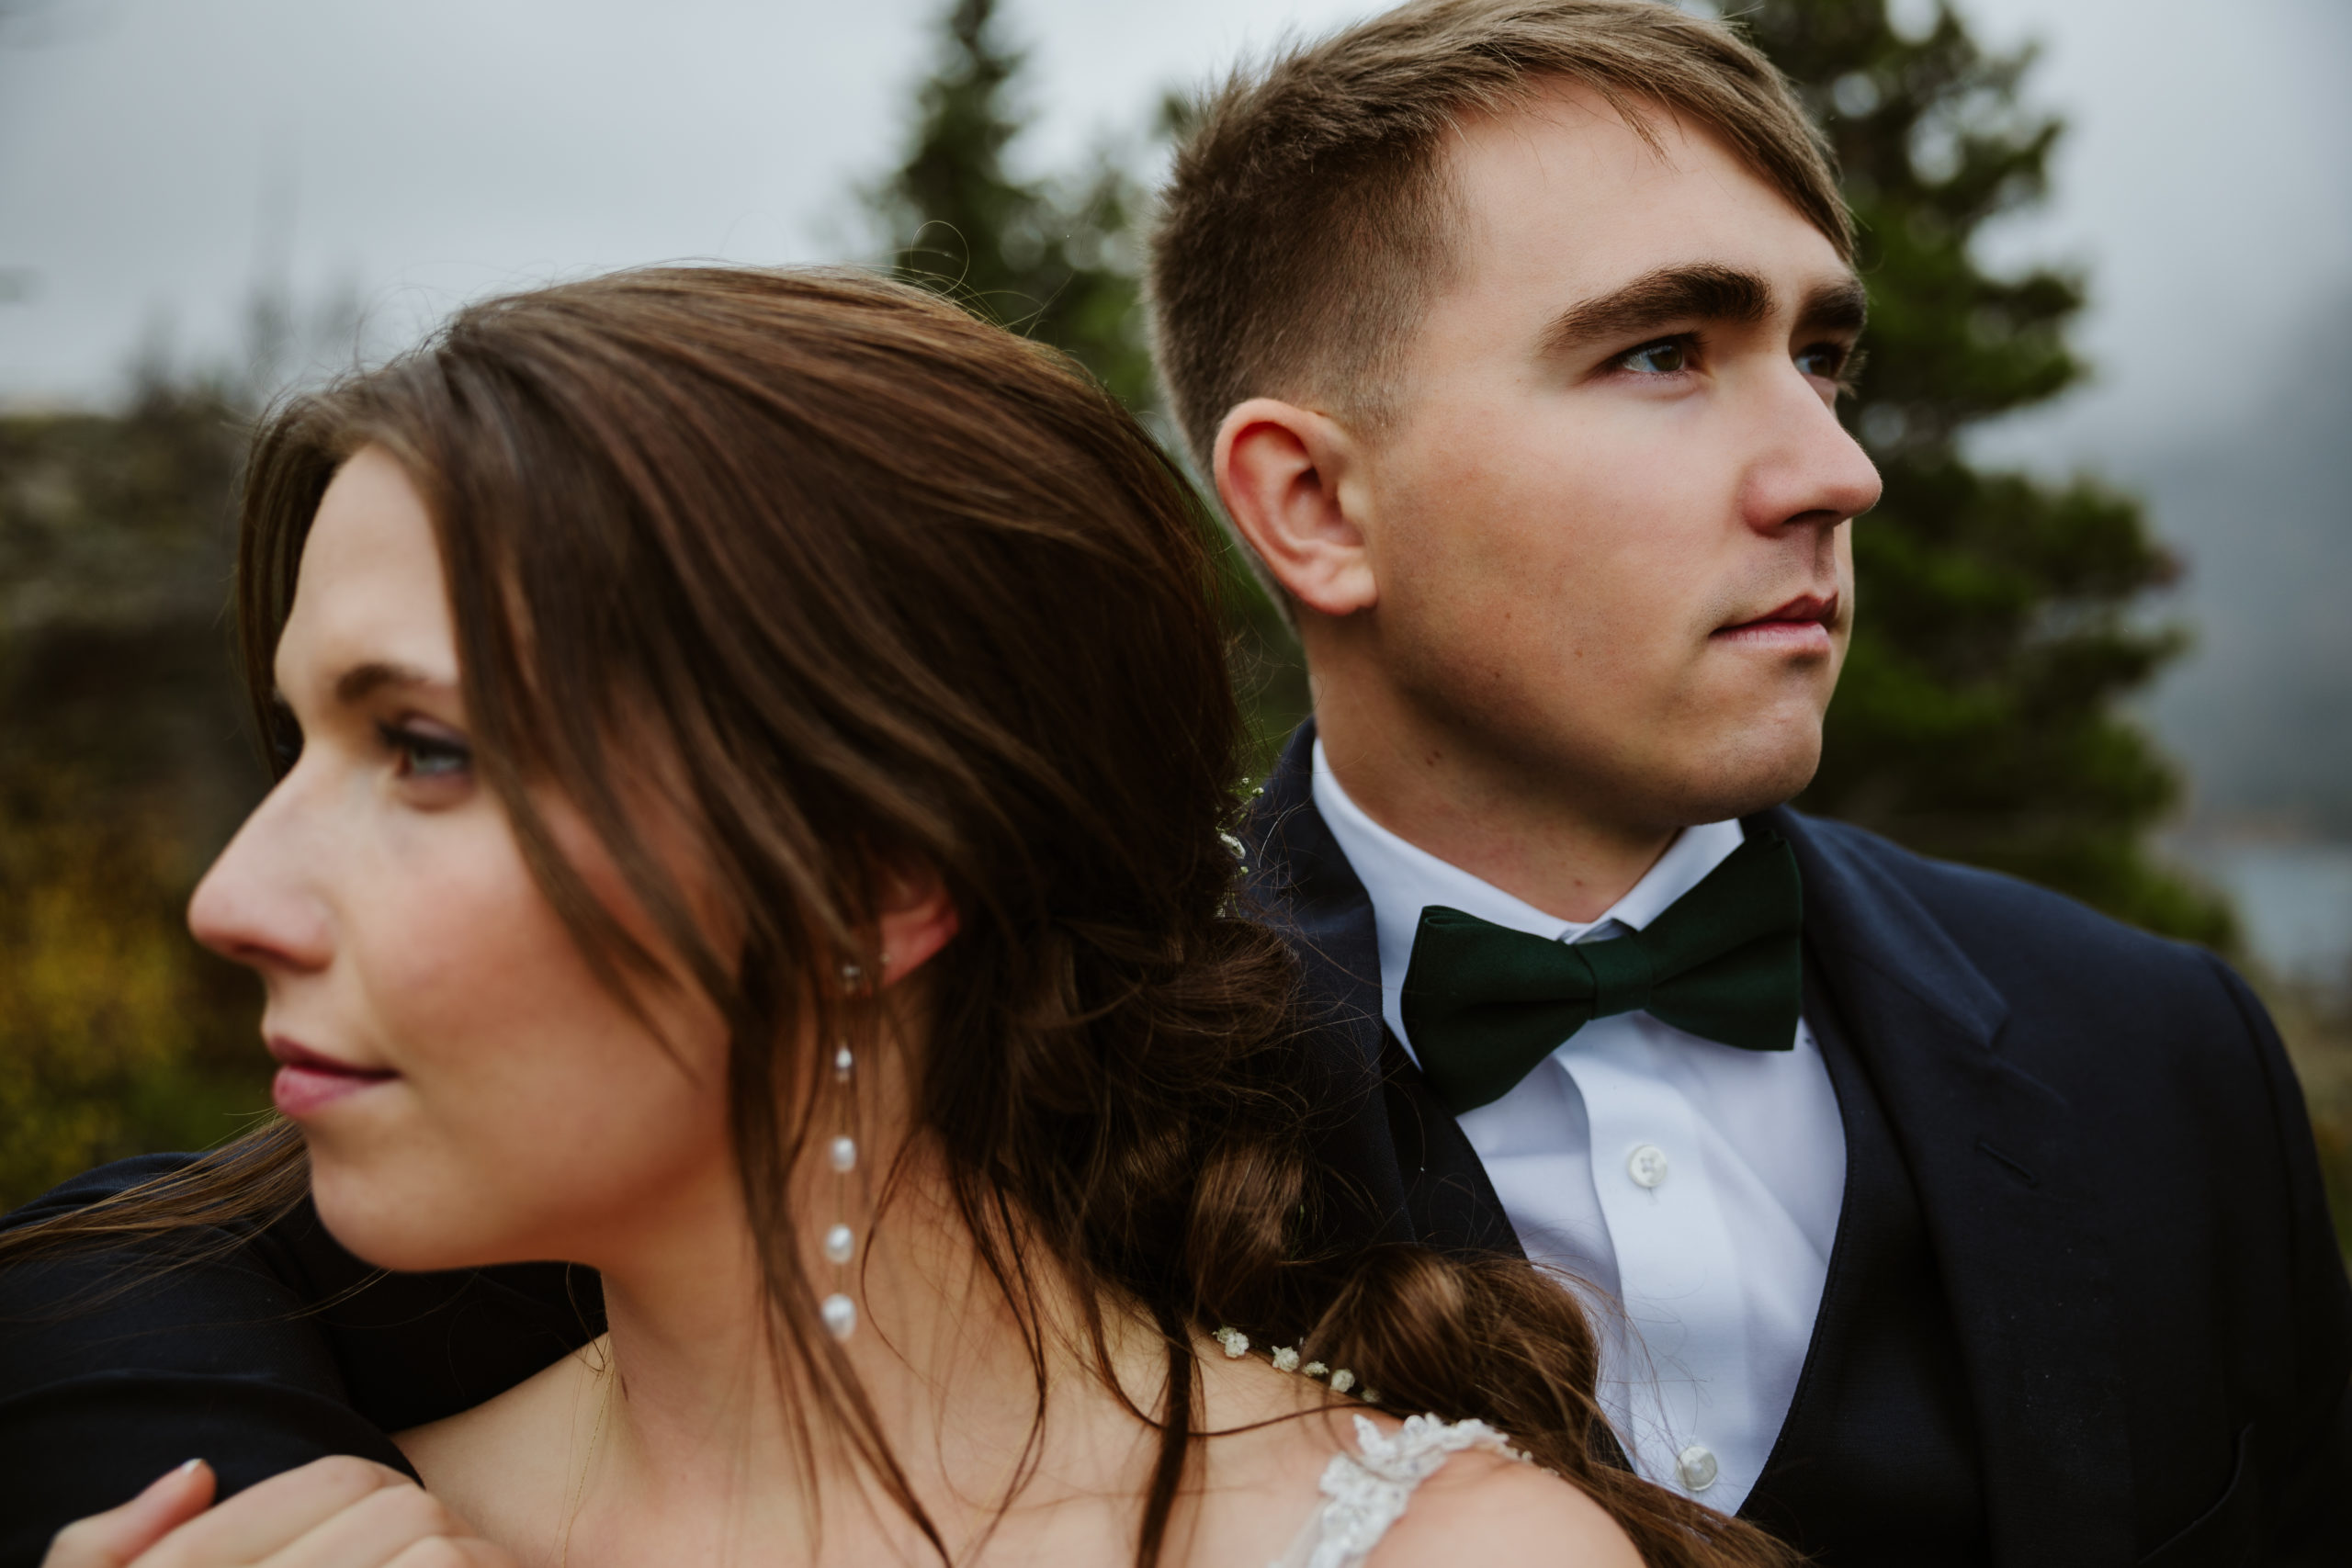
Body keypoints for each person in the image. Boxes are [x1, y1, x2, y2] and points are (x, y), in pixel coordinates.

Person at [5, 265, 1785, 1568]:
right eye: (296, 739)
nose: (228, 896)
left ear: (878, 879)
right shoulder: (264, 1516)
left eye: (427, 749)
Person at [1148, 0, 2352, 1563]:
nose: (1838, 473)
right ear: (1314, 503)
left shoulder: (2163, 1053)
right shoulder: (1072, 1096)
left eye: (1824, 357)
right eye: (1663, 353)